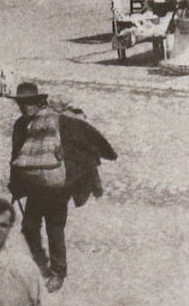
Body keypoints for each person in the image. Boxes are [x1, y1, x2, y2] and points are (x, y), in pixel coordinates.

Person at [8, 81, 117, 293]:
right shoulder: (20, 126)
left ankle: (58, 272)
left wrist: (103, 157)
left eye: (29, 103)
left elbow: (85, 138)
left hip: (57, 186)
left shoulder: (59, 122)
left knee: (54, 227)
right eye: (21, 103)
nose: (24, 107)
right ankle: (41, 265)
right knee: (29, 226)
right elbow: (16, 156)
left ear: (39, 102)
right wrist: (15, 184)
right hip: (35, 186)